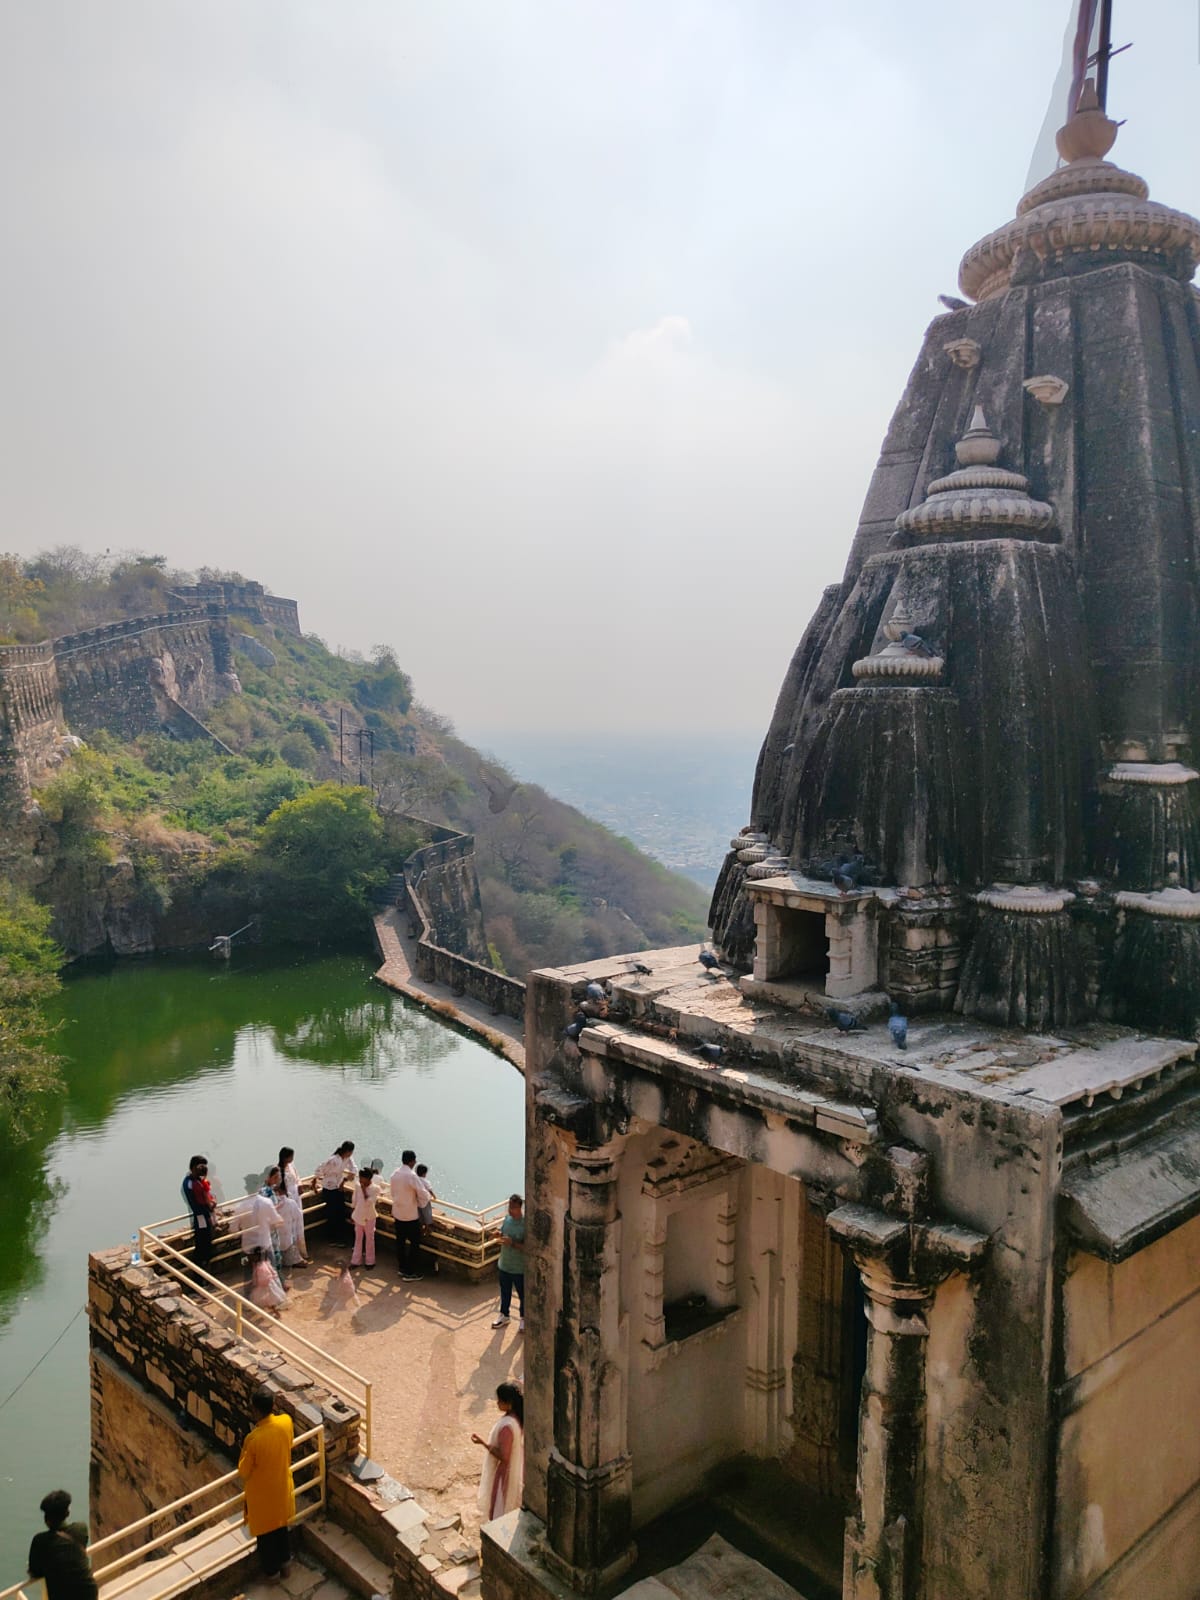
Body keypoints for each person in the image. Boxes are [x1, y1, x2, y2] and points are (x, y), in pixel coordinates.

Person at [237, 1388, 295, 1580]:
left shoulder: (253, 1439)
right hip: (282, 1488)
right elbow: (289, 1444)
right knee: (281, 1530)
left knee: (266, 1538)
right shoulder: (286, 1422)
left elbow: (243, 1470)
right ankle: (286, 1566)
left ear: (255, 1410)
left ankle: (272, 1574)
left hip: (262, 1498)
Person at [27, 1490, 97, 1600]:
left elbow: (35, 1572)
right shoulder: (81, 1529)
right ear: (67, 1513)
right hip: (88, 1593)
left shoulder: (40, 1541)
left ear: (46, 1519)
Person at [471, 1382, 524, 1523]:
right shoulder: (517, 1418)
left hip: (505, 1472)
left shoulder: (507, 1427)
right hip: (514, 1468)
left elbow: (504, 1456)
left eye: (500, 1400)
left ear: (509, 1403)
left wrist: (484, 1444)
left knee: (500, 1504)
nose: (497, 1403)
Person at [389, 1150, 428, 1280]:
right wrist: (421, 1204)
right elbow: (423, 1194)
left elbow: (392, 1193)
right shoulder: (411, 1176)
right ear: (412, 1161)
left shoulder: (395, 1174)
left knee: (400, 1242)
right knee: (415, 1244)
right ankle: (410, 1272)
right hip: (410, 1215)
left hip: (398, 1213)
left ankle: (402, 1267)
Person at [491, 1194, 526, 1331]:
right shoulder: (507, 1219)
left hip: (519, 1268)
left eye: (513, 1207)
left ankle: (524, 1318)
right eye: (509, 1207)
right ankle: (504, 1315)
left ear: (520, 1207)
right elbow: (503, 1232)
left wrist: (512, 1244)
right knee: (505, 1292)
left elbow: (528, 1247)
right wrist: (498, 1234)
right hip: (504, 1264)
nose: (510, 1210)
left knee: (523, 1295)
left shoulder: (525, 1224)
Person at [314, 1142, 357, 1246]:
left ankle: (339, 1238)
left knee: (340, 1213)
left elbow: (354, 1169)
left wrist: (344, 1180)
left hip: (338, 1187)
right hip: (329, 1188)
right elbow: (319, 1170)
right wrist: (316, 1181)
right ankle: (332, 1238)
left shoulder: (347, 1159)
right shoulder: (333, 1160)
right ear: (348, 1151)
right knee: (332, 1214)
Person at [266, 1167, 308, 1268]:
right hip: (287, 1231)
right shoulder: (290, 1203)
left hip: (274, 1232)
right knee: (288, 1243)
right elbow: (298, 1216)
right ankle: (293, 1261)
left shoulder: (268, 1201)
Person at [182, 1155, 217, 1271]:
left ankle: (202, 1270)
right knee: (203, 1244)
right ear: (193, 1167)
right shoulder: (193, 1184)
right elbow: (203, 1201)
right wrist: (211, 1204)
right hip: (201, 1217)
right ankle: (200, 1273)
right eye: (200, 1167)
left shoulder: (191, 1181)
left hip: (201, 1217)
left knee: (204, 1244)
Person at [277, 1148, 308, 1260]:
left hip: (296, 1197)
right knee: (290, 1227)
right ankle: (293, 1256)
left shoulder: (291, 1166)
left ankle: (301, 1252)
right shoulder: (278, 1170)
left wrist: (300, 1185)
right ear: (286, 1157)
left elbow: (297, 1177)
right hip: (287, 1199)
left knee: (298, 1223)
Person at [350, 1167, 382, 1268]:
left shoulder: (375, 1189)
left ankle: (370, 1261)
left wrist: (364, 1190)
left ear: (368, 1178)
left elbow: (369, 1202)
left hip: (369, 1217)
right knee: (358, 1239)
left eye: (362, 1178)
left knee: (370, 1239)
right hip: (358, 1215)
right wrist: (353, 1213)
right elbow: (354, 1200)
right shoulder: (357, 1186)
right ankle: (356, 1261)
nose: (360, 1180)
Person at [415, 1163, 438, 1275]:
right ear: (425, 1173)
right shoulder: (425, 1181)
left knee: (420, 1216)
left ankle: (421, 1228)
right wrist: (434, 1197)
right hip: (425, 1201)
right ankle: (428, 1228)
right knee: (427, 1214)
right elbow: (430, 1190)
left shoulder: (415, 1180)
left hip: (417, 1202)